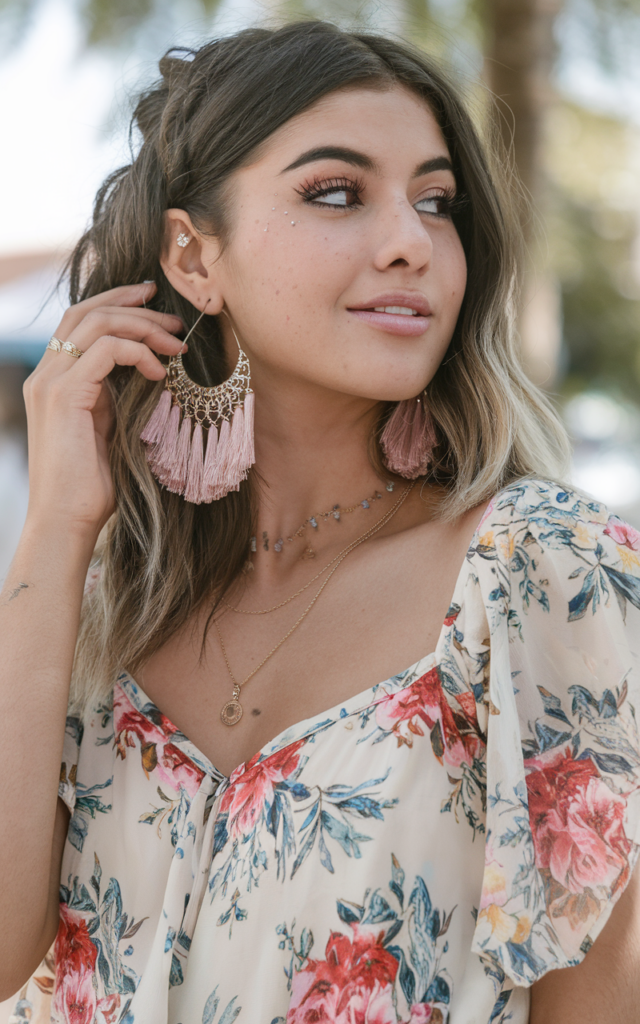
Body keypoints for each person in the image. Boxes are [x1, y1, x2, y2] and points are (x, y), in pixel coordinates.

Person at [1, 20, 639, 1024]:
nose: (410, 242)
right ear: (191, 255)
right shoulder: (100, 620)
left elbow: (599, 997)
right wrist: (54, 529)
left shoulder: (535, 571)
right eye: (336, 193)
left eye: (437, 203)